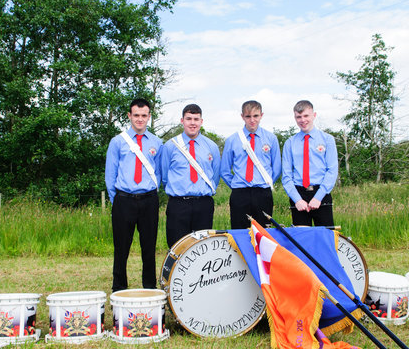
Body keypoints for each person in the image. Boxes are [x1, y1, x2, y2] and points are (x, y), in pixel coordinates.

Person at [105, 98, 162, 293]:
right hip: (124, 200)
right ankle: (119, 288)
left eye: (144, 115)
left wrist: (152, 192)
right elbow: (110, 174)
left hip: (148, 200)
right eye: (136, 115)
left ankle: (150, 288)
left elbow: (159, 171)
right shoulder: (117, 142)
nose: (140, 119)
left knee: (149, 248)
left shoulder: (156, 142)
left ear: (149, 117)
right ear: (129, 116)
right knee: (121, 248)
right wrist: (118, 200)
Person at [161, 104, 221, 247]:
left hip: (203, 204)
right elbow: (164, 176)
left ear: (201, 121)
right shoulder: (170, 146)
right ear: (182, 121)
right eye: (189, 119)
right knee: (177, 247)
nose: (192, 123)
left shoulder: (211, 146)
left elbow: (216, 175)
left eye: (196, 119)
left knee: (202, 248)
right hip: (178, 204)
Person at [220, 100, 281, 228]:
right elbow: (224, 170)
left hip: (263, 192)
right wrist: (237, 185)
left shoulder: (271, 138)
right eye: (248, 116)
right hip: (240, 193)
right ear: (242, 116)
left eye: (256, 116)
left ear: (261, 115)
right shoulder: (232, 140)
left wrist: (266, 182)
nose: (252, 120)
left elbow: (276, 167)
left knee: (264, 233)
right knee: (239, 232)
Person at [281, 100, 338, 227]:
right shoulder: (290, 143)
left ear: (314, 115)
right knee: (301, 241)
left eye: (306, 116)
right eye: (298, 117)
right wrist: (297, 199)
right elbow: (286, 175)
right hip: (298, 194)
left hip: (321, 193)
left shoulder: (327, 140)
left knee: (325, 239)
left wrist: (318, 197)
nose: (303, 120)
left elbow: (332, 171)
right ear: (295, 117)